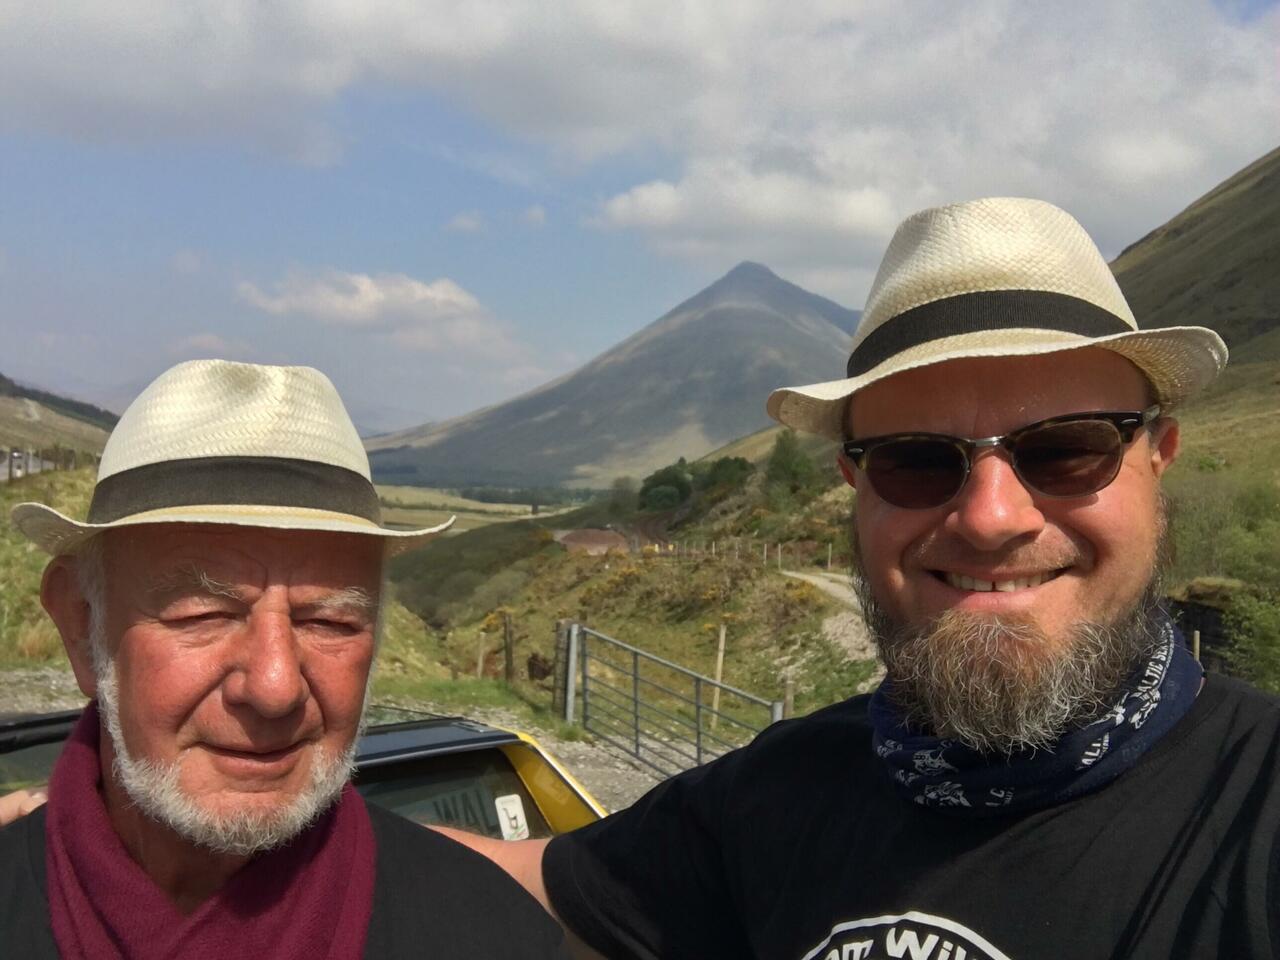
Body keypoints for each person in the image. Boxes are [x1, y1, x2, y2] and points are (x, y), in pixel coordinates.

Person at [444, 197, 1279, 959]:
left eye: (1068, 449)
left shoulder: (1258, 807)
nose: (990, 517)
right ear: (857, 484)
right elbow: (512, 893)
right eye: (916, 460)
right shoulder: (781, 792)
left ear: (1159, 458)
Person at [0, 359, 569, 958]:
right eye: (202, 614)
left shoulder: (491, 933)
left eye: (330, 622)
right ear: (81, 624)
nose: (276, 687)